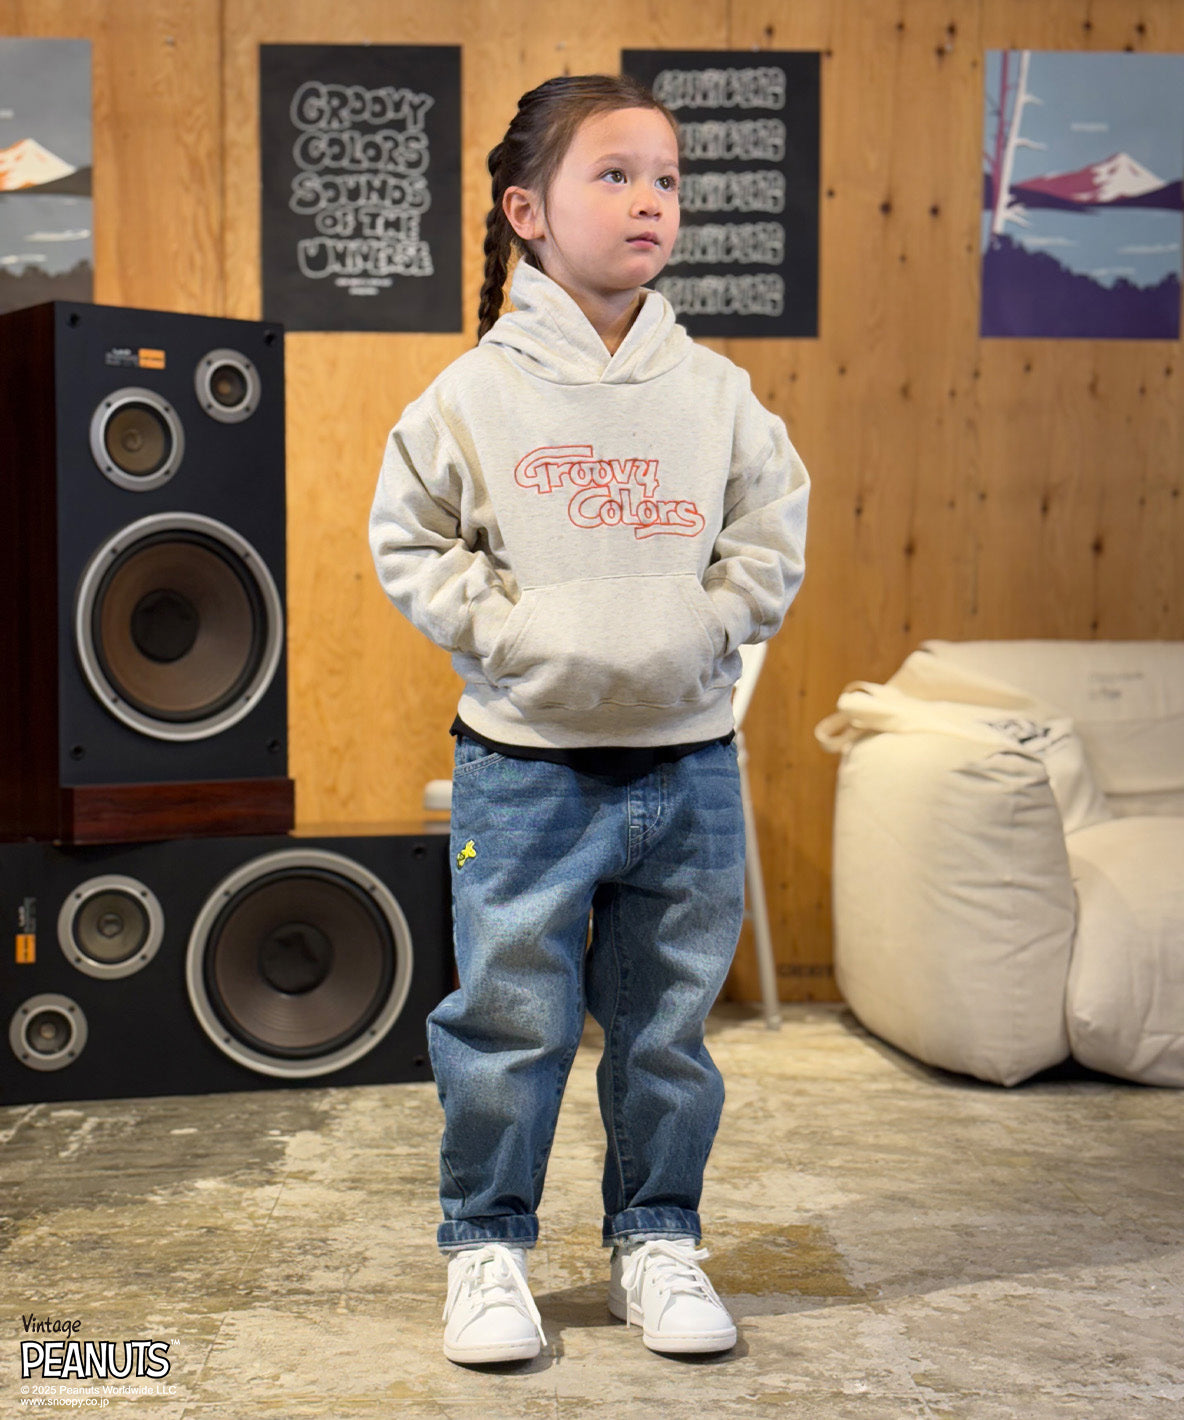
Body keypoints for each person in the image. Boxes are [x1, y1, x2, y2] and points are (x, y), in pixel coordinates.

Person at [369, 73, 809, 1366]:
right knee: (509, 1024)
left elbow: (770, 535)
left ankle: (657, 1239)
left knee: (668, 1032)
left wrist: (706, 626)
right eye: (613, 174)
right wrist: (516, 638)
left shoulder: (717, 392)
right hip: (526, 771)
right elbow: (410, 541)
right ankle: (487, 1251)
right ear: (528, 212)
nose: (649, 200)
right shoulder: (470, 394)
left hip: (690, 765)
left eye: (666, 178)